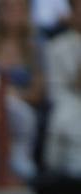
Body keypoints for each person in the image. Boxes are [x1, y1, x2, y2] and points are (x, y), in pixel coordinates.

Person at [0, 0, 47, 109]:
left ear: (27, 12)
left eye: (19, 8)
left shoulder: (36, 46)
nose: (13, 13)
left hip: (25, 107)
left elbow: (38, 92)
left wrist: (14, 97)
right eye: (8, 8)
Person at [44, 0, 81, 176]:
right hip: (69, 100)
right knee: (64, 119)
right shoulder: (56, 46)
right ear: (72, 13)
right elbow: (56, 90)